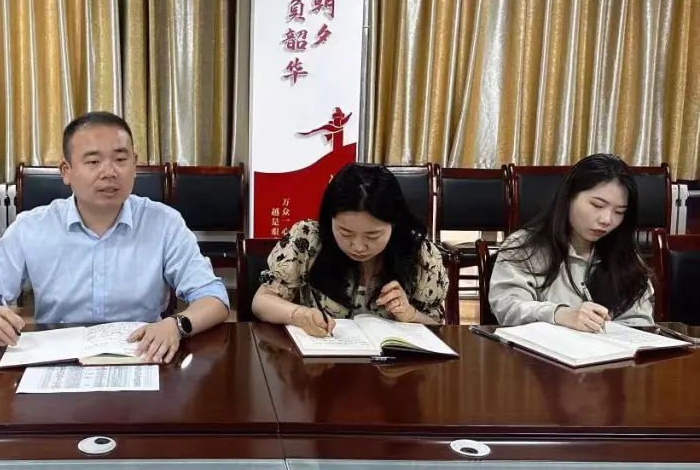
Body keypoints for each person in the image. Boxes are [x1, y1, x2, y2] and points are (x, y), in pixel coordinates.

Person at [0, 111, 229, 363]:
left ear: (135, 164)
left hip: (141, 357)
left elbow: (214, 298)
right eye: (93, 162)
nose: (109, 172)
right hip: (58, 359)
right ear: (66, 171)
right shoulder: (32, 227)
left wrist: (177, 325)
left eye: (120, 160)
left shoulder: (164, 223)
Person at [252, 163, 448, 335]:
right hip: (323, 359)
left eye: (373, 236)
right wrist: (299, 315)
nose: (358, 247)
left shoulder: (420, 254)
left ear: (394, 224)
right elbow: (262, 301)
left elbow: (438, 327)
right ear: (329, 220)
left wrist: (410, 314)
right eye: (345, 233)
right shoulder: (308, 239)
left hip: (393, 364)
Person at [489, 153, 654, 330]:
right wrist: (559, 314)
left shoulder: (625, 256)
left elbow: (640, 322)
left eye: (619, 212)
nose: (607, 219)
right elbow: (508, 307)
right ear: (569, 197)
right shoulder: (524, 246)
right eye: (597, 205)